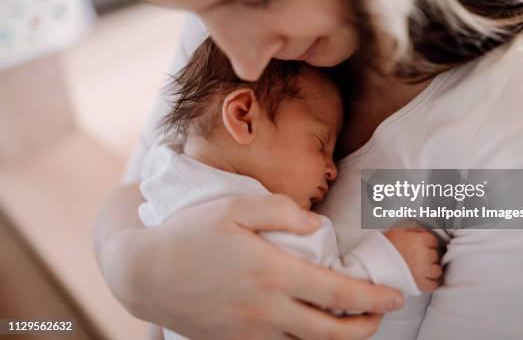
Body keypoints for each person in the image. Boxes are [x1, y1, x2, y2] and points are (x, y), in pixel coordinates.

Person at [48, 0, 523, 338]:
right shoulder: (238, 31)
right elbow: (142, 187)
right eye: (197, 7)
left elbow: (418, 195)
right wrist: (133, 269)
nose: (241, 57)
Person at [140, 37, 441, 340]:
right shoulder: (260, 218)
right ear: (243, 117)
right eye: (321, 143)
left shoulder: (167, 178)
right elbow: (316, 309)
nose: (332, 169)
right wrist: (389, 262)